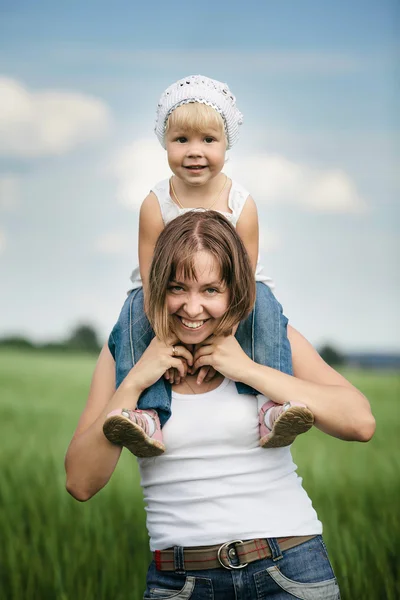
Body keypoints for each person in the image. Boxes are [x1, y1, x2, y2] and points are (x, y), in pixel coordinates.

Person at [65, 211, 375, 600]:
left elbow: (360, 422)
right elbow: (79, 482)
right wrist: (137, 379)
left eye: (211, 290)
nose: (192, 308)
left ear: (234, 291)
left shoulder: (266, 341)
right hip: (180, 584)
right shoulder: (125, 355)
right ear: (157, 286)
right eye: (178, 287)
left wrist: (248, 370)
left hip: (289, 570)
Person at [105, 74, 313, 457]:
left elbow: (246, 277)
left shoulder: (240, 203)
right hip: (164, 295)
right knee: (131, 310)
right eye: (181, 140)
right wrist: (164, 332)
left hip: (232, 293)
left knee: (266, 304)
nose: (194, 151)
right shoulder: (155, 203)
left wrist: (227, 330)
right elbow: (151, 278)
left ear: (227, 144)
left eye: (208, 140)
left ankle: (272, 404)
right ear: (164, 143)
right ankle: (147, 413)